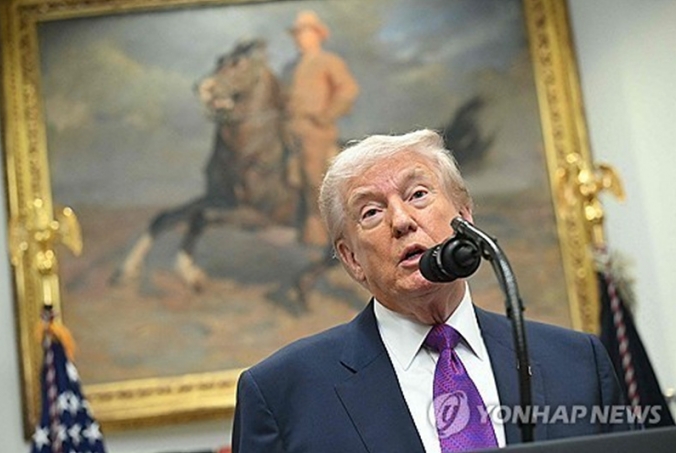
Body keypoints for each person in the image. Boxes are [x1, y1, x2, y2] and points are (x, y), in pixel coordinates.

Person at [232, 129, 631, 452]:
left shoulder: (576, 363)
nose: (401, 220)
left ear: (465, 217)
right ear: (351, 258)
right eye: (371, 212)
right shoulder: (281, 395)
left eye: (418, 194)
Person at [285, 10, 359, 247]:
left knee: (314, 177)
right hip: (290, 129)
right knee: (289, 176)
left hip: (316, 130)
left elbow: (347, 89)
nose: (300, 38)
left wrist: (326, 115)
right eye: (297, 34)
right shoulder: (291, 67)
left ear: (317, 35)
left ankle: (323, 233)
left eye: (305, 33)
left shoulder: (329, 61)